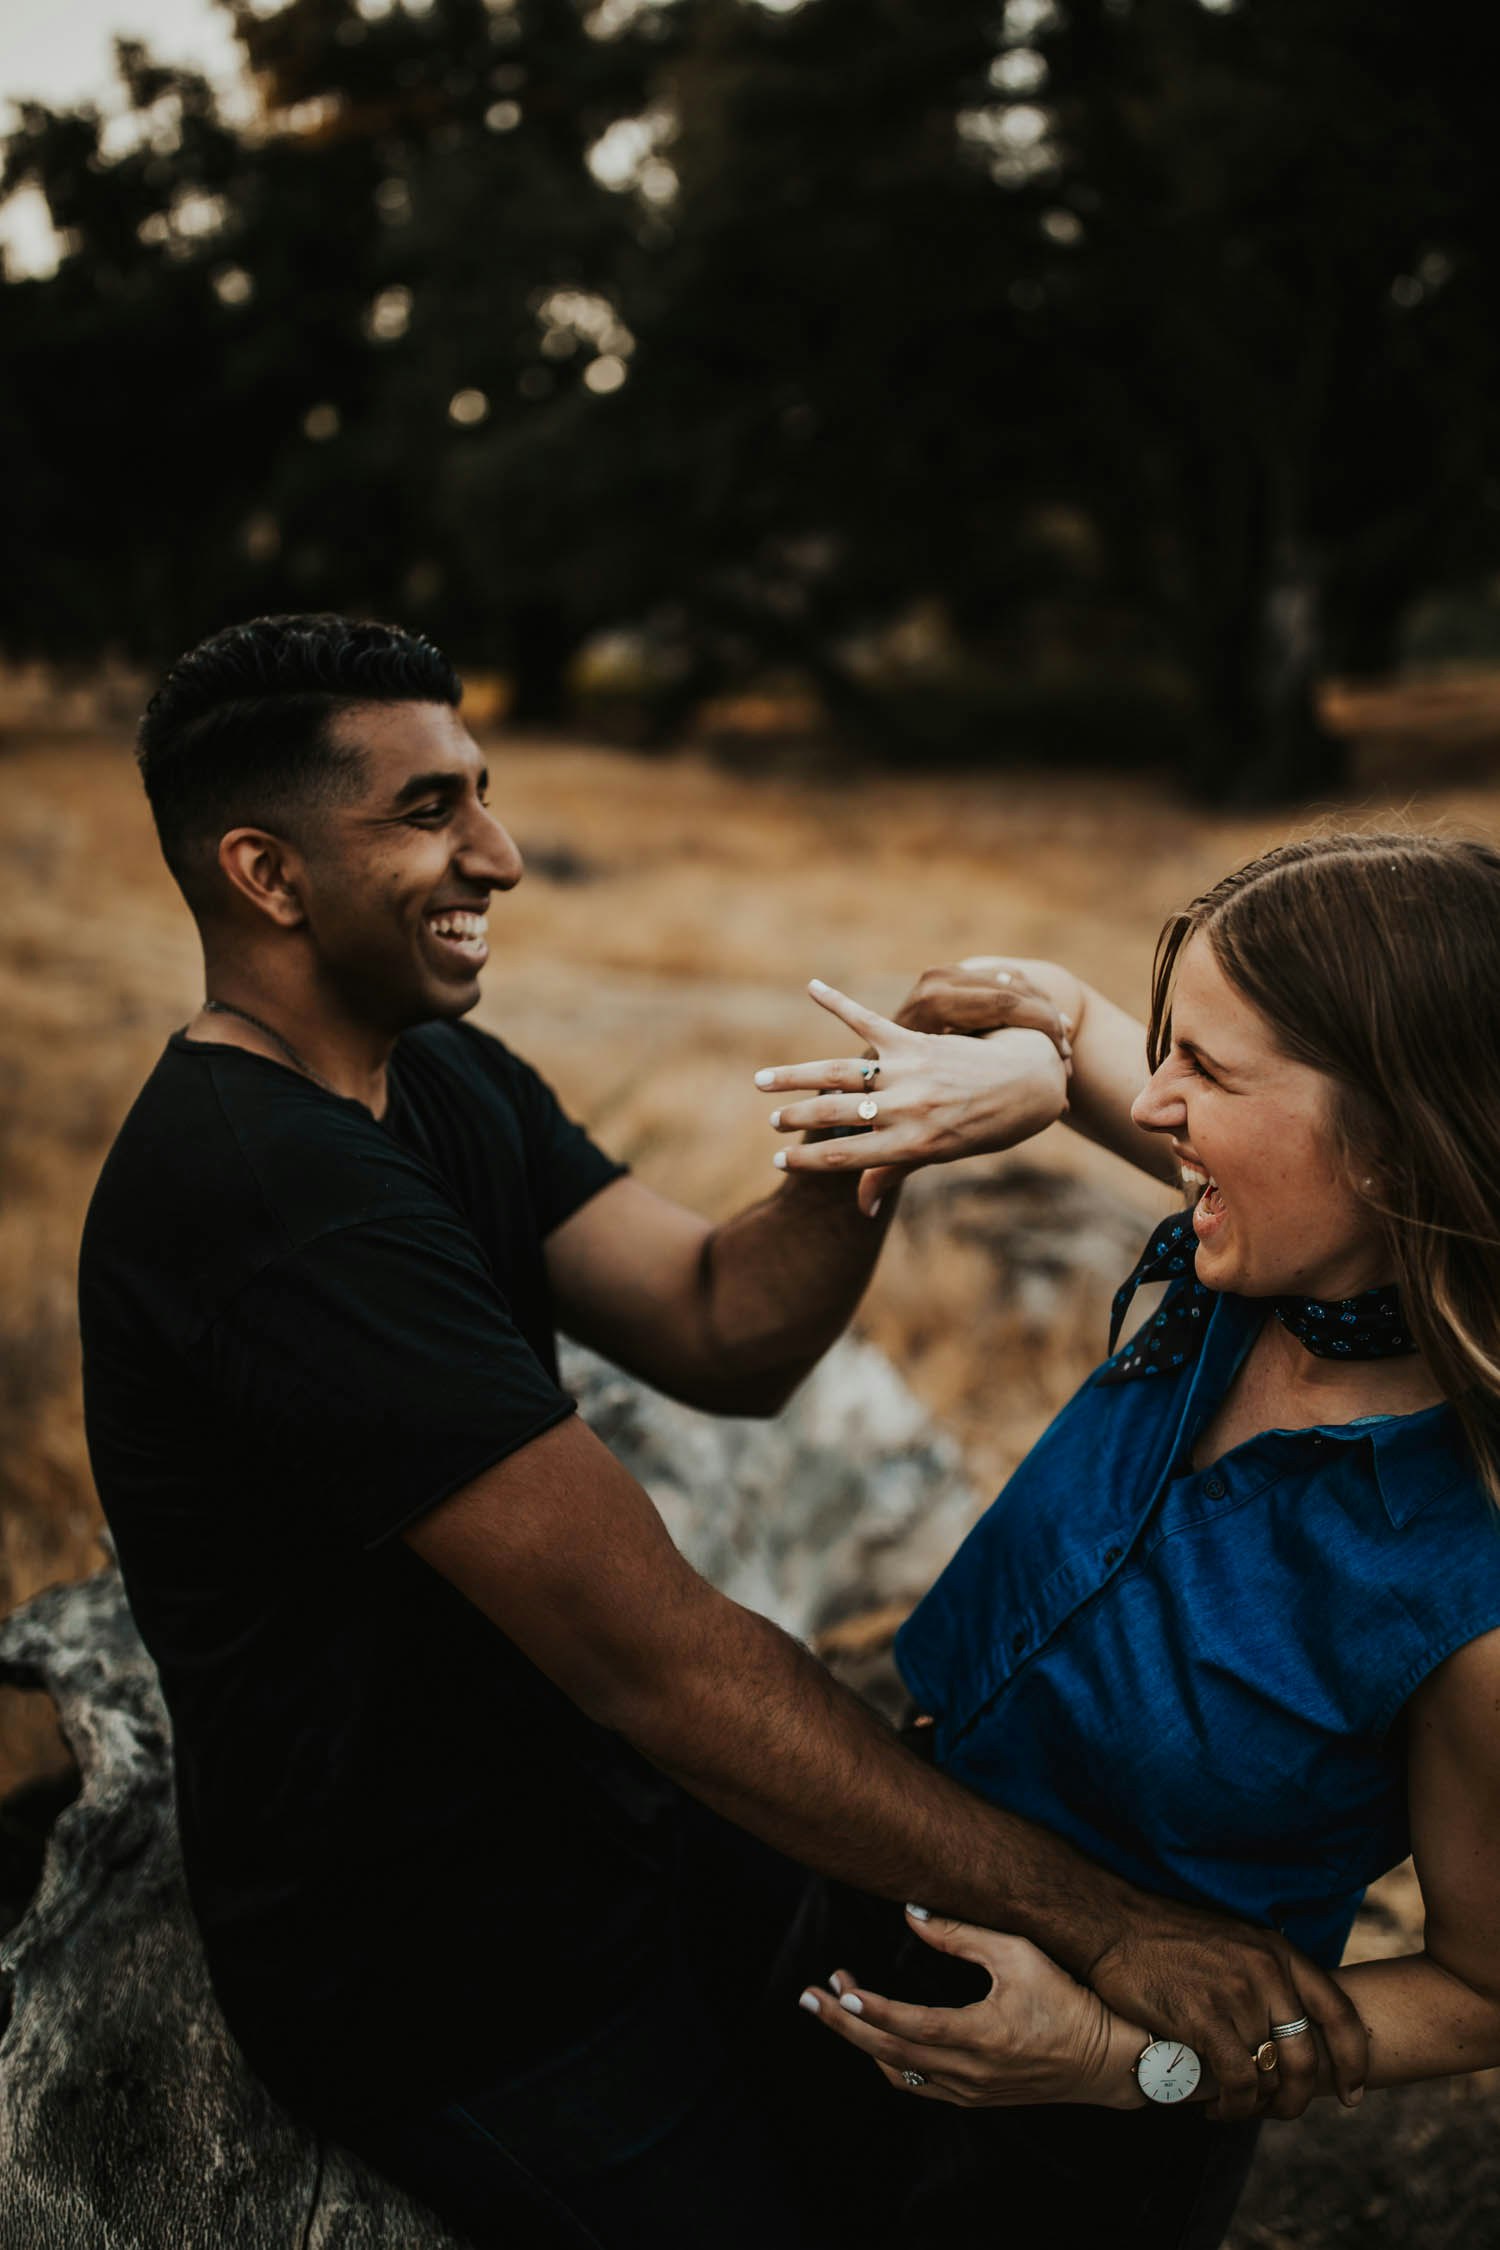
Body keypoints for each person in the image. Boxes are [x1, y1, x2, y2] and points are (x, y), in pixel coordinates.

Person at [76, 615, 1361, 2250]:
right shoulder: (266, 1204)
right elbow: (661, 1659)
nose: (504, 851)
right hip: (444, 1972)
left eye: (483, 790)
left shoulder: (438, 1077)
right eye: (426, 811)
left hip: (617, 1839)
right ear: (265, 873)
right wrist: (1106, 1922)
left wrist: (867, 1133)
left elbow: (718, 1321)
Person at [756, 833, 1500, 2241]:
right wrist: (1025, 1070)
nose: (1151, 1105)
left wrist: (1122, 2068)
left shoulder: (1470, 1583)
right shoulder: (1275, 1246)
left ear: (1402, 1136)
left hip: (1073, 2149)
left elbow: (1483, 1990)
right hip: (867, 1886)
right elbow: (1049, 1012)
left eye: (1206, 1073)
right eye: (1163, 1054)